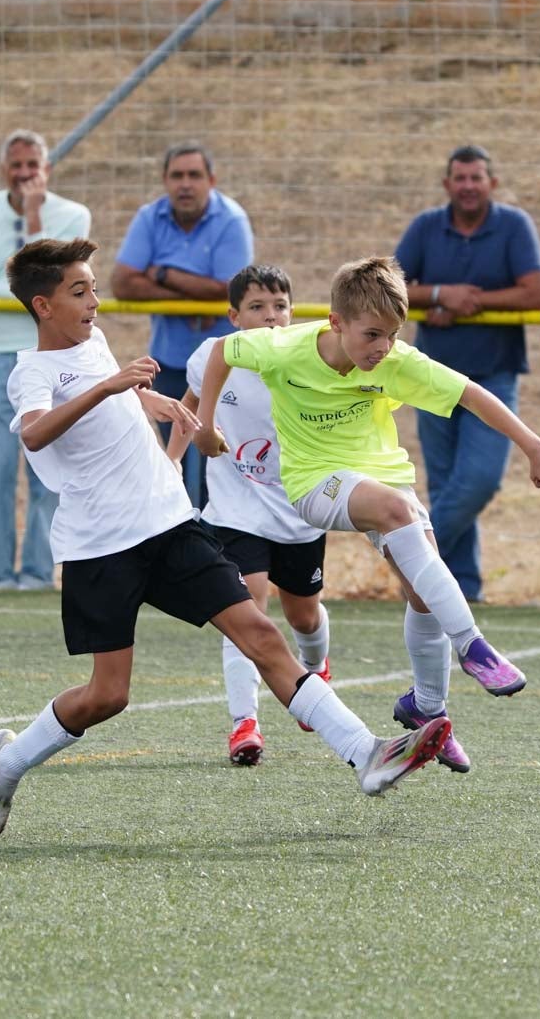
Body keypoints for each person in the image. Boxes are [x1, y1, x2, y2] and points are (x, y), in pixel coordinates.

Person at [0, 239, 450, 837]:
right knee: (108, 695)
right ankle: (8, 764)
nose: (94, 300)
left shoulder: (92, 342)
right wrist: (111, 387)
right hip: (101, 546)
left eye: (94, 287)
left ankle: (367, 753)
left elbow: (109, 399)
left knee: (261, 633)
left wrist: (149, 399)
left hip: (170, 524)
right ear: (43, 306)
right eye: (79, 291)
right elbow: (36, 432)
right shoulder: (32, 371)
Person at [193, 256, 540, 773]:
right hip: (313, 483)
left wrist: (534, 447)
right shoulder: (285, 347)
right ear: (336, 323)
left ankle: (427, 707)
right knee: (395, 510)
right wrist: (204, 425)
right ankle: (472, 645)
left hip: (383, 477)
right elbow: (220, 351)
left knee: (422, 590)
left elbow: (471, 394)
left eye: (392, 335)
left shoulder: (393, 360)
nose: (383, 347)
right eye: (372, 335)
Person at [165, 265, 332, 766]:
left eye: (280, 306)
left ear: (292, 312)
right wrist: (170, 463)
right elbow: (189, 410)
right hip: (235, 512)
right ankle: (244, 723)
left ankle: (315, 666)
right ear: (234, 316)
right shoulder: (212, 357)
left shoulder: (313, 358)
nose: (270, 316)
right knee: (246, 609)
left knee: (303, 614)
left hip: (298, 512)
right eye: (257, 307)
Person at [393, 145, 540, 602]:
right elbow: (391, 285)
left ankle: (413, 557)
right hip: (431, 375)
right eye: (459, 178)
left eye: (476, 178)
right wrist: (440, 294)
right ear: (447, 184)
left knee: (479, 479)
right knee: (445, 483)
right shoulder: (426, 226)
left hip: (494, 373)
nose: (467, 186)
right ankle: (459, 589)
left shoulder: (514, 225)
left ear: (492, 183)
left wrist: (471, 303)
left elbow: (535, 293)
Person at [0, 129, 91, 591]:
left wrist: (34, 220)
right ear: (3, 170)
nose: (24, 173)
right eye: (16, 165)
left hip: (53, 355)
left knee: (49, 471)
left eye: (32, 165)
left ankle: (36, 572)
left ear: (47, 169)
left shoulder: (73, 214)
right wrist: (33, 295)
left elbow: (59, 287)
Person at [110, 142, 254, 507]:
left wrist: (163, 273)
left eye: (194, 175)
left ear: (211, 180)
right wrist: (193, 299)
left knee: (216, 470)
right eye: (177, 175)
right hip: (169, 365)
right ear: (164, 180)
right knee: (172, 468)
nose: (185, 184)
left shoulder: (231, 220)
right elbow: (122, 283)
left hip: (223, 368)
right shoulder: (149, 217)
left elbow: (230, 289)